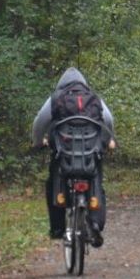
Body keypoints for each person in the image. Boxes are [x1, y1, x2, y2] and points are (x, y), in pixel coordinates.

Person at [31, 67, 116, 247]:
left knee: (54, 180)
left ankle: (58, 228)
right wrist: (106, 141)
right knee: (96, 178)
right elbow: (108, 120)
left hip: (64, 153)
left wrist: (38, 142)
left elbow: (40, 122)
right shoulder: (93, 97)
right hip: (90, 152)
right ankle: (94, 222)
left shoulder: (56, 98)